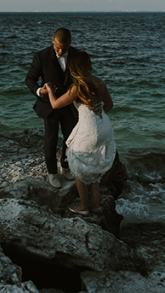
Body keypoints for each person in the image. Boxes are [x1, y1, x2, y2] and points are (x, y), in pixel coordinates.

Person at [43, 51, 116, 215]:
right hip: (104, 126)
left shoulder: (78, 87)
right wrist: (97, 117)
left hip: (89, 129)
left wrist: (48, 89)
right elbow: (109, 105)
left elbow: (55, 104)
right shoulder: (100, 82)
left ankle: (84, 207)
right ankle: (95, 205)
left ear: (73, 69)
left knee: (78, 163)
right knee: (94, 165)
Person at [25, 28, 79, 188]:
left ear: (70, 43)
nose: (61, 51)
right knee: (51, 139)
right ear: (52, 41)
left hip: (70, 106)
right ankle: (51, 172)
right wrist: (40, 91)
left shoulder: (77, 55)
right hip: (50, 106)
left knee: (70, 139)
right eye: (57, 48)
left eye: (64, 48)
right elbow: (29, 79)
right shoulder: (41, 56)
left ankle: (66, 166)